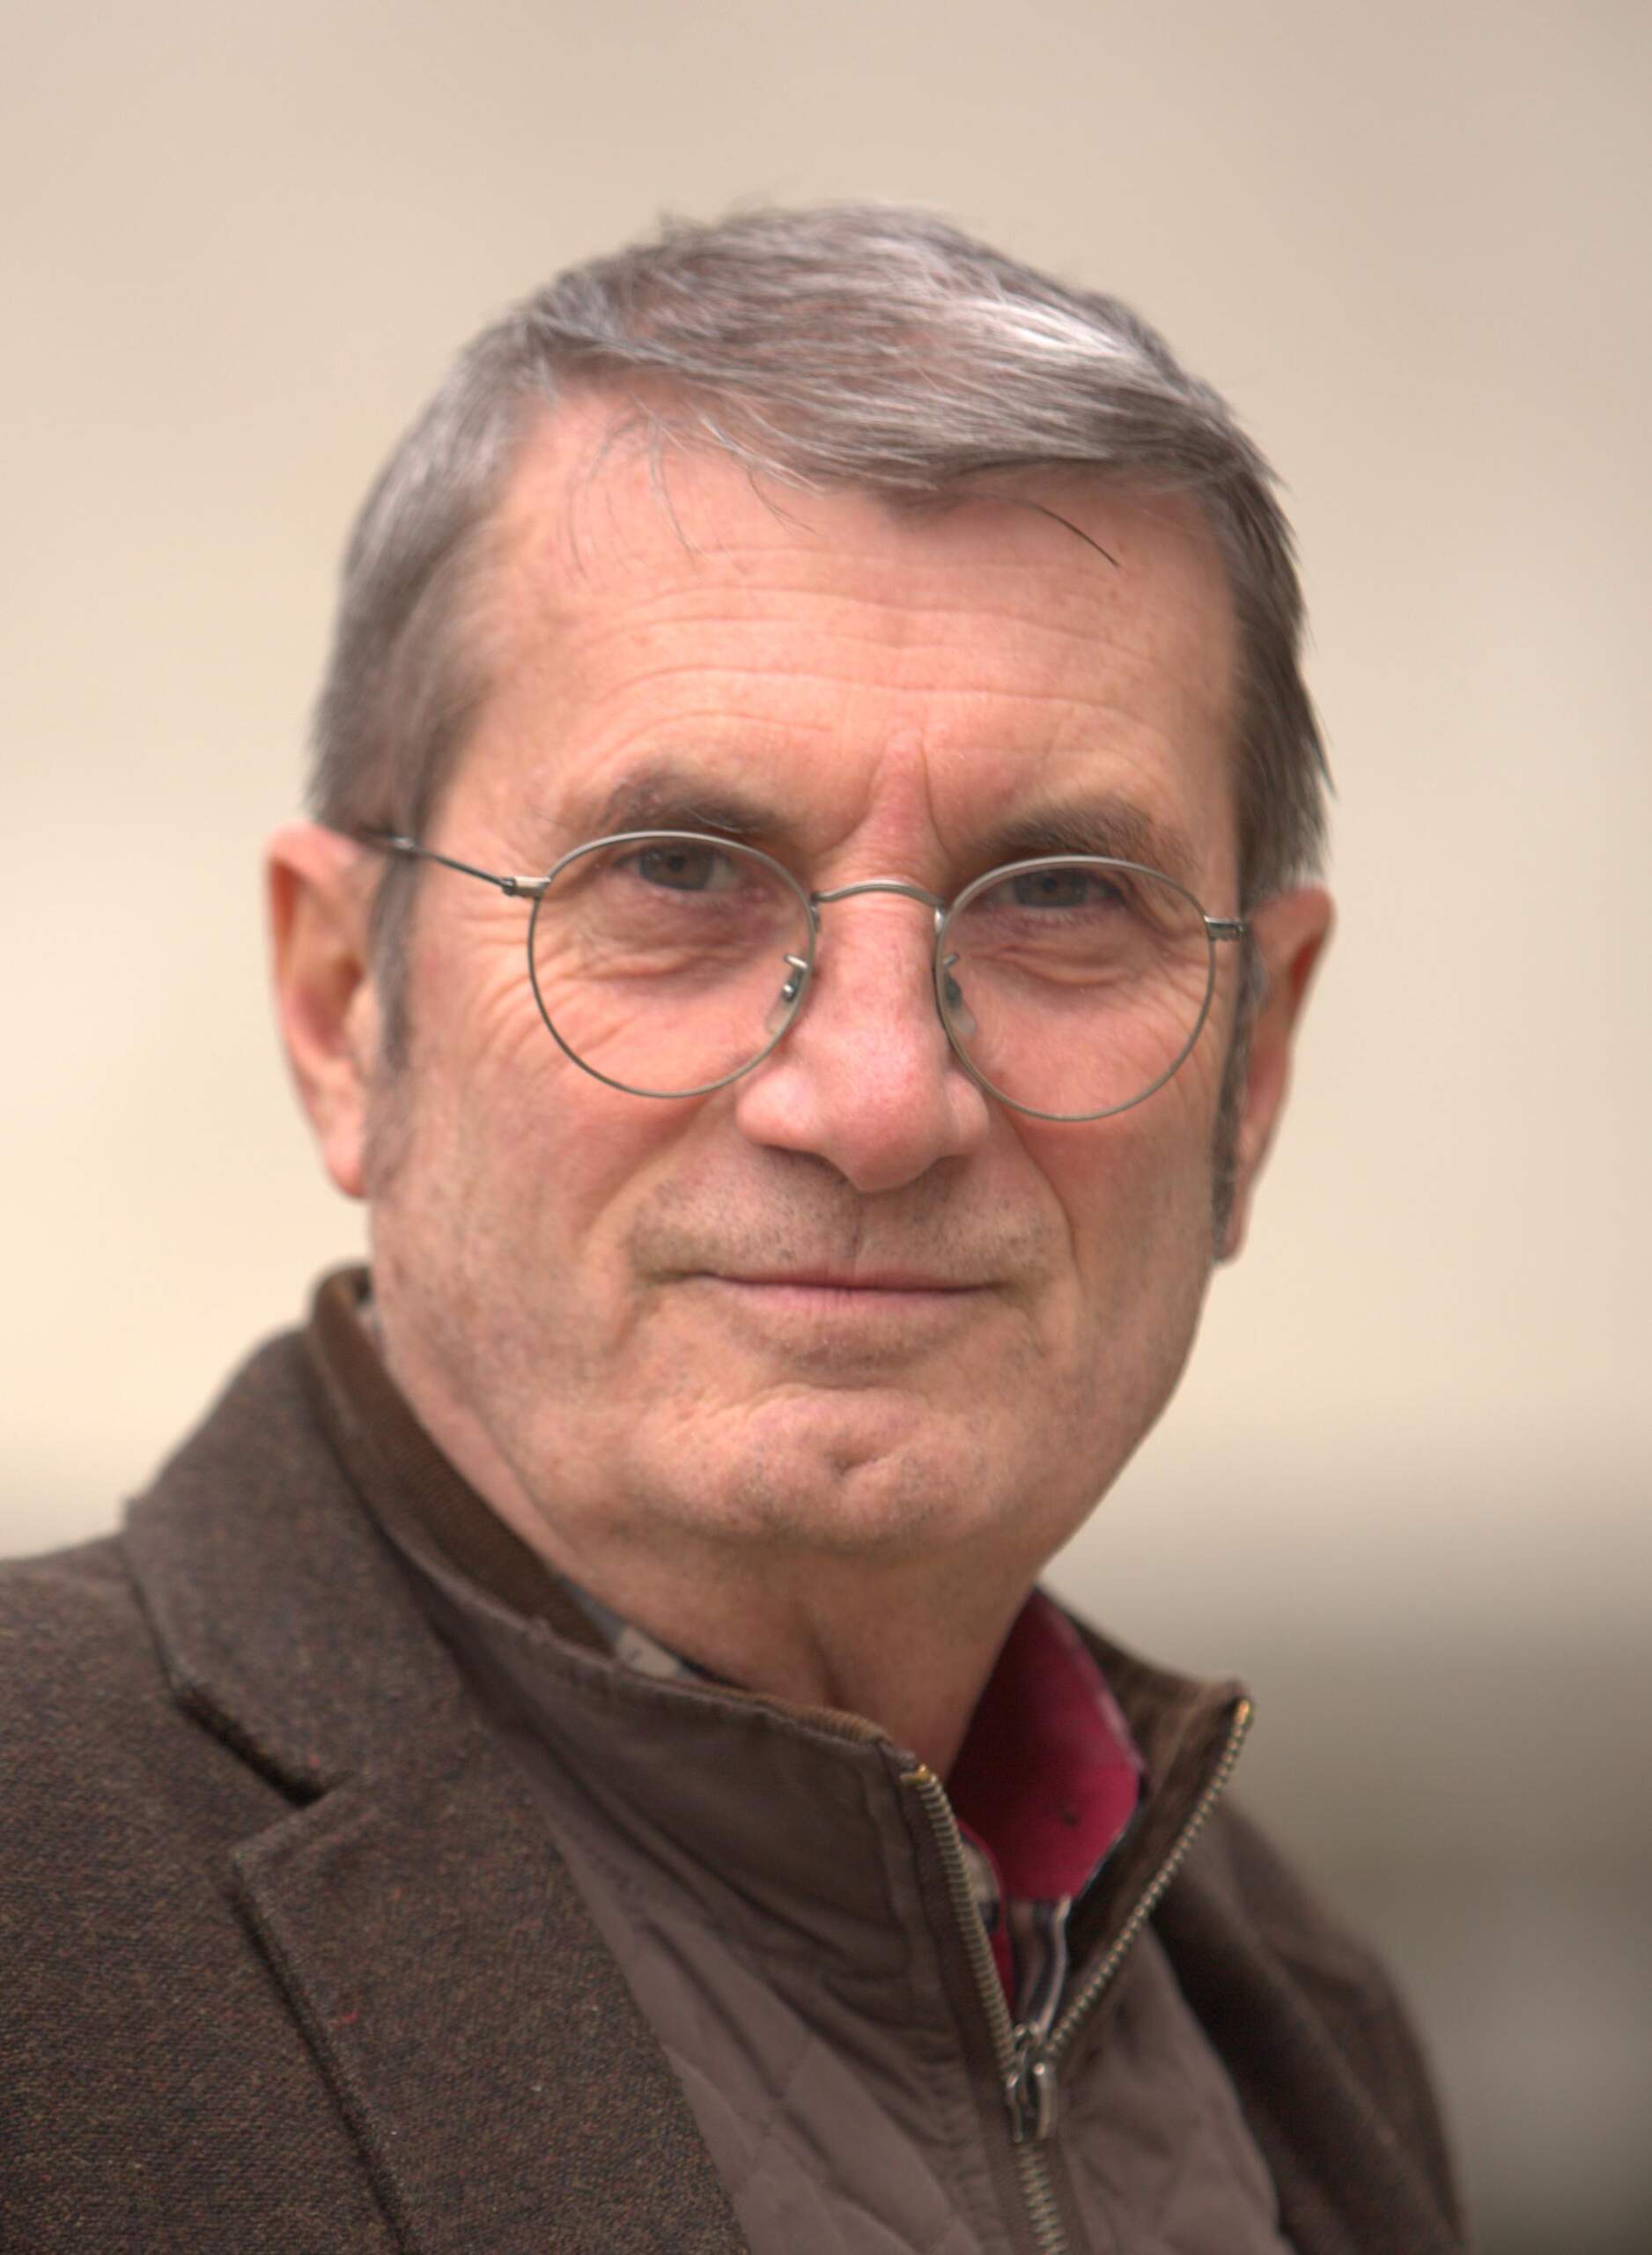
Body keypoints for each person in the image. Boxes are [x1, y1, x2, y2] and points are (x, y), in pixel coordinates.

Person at [2, 206, 1468, 2253]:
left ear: (1252, 1060)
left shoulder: (1289, 2018)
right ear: (345, 1007)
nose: (875, 1097)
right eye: (678, 871)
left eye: (1058, 897)